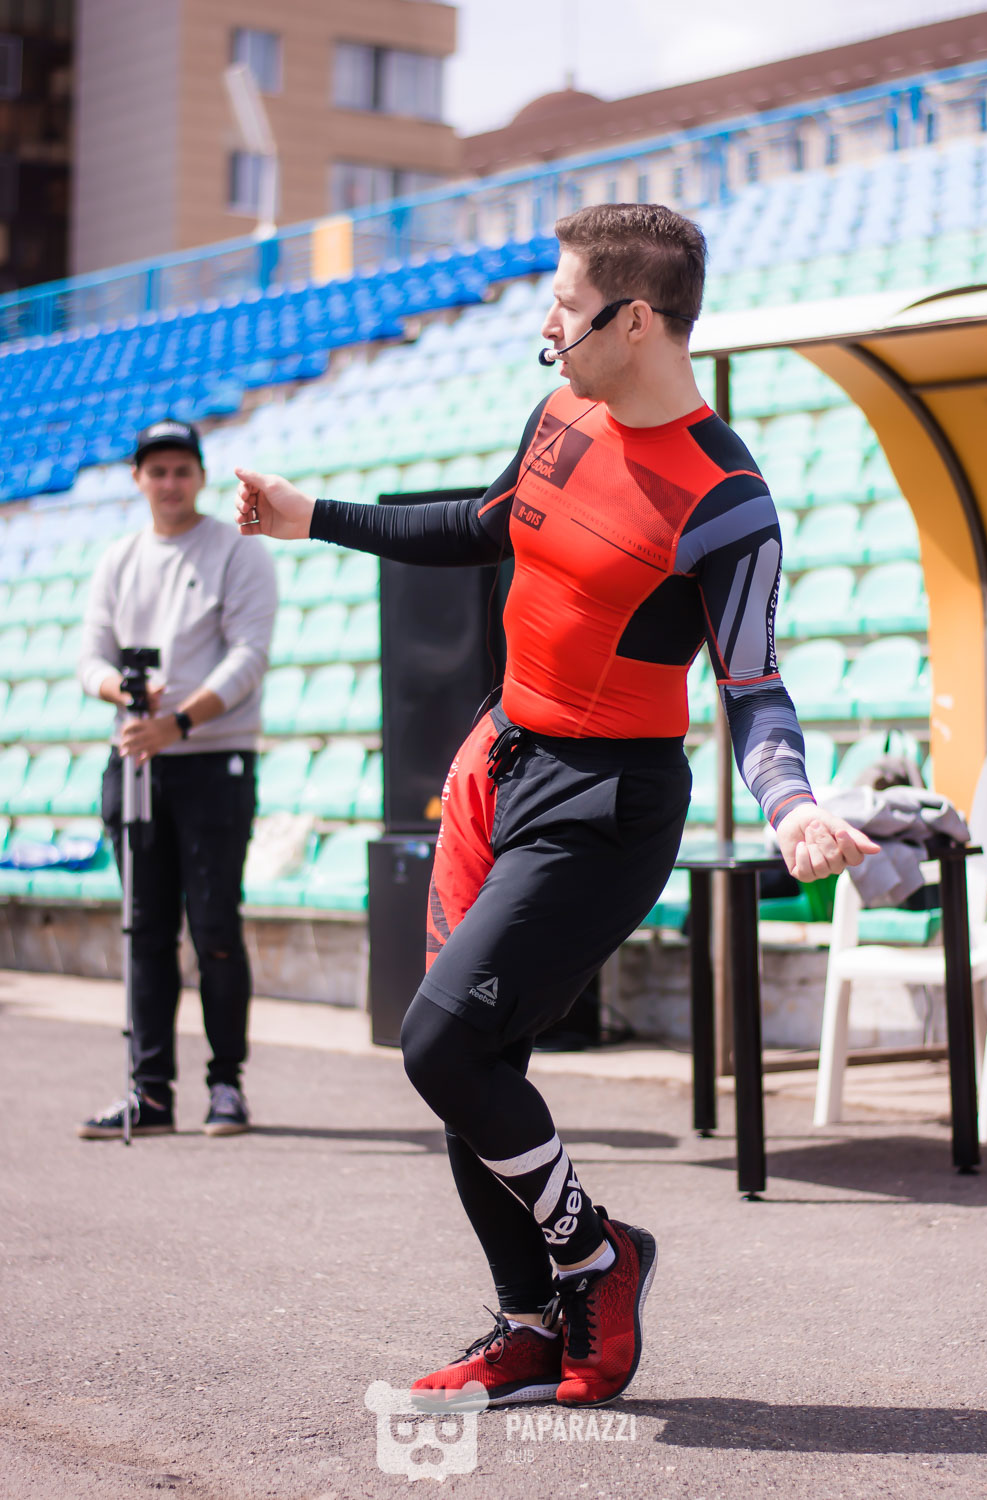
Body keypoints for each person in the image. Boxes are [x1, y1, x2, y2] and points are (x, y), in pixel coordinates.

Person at [233, 204, 877, 1408]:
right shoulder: (559, 412)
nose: (547, 323)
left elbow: (752, 685)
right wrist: (310, 517)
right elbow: (481, 527)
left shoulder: (727, 500)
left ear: (634, 320)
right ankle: (530, 1326)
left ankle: (595, 1258)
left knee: (440, 1042)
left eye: (566, 304)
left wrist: (790, 804)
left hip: (606, 805)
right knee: (471, 1065)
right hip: (502, 762)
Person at [77, 418, 278, 1140]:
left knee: (215, 925)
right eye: (156, 470)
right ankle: (149, 1092)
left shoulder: (237, 549)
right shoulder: (119, 559)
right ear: (137, 478)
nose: (169, 482)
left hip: (213, 762)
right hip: (135, 760)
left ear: (199, 475)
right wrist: (124, 694)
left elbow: (249, 656)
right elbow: (90, 658)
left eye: (180, 469)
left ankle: (227, 1086)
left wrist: (181, 721)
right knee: (146, 930)